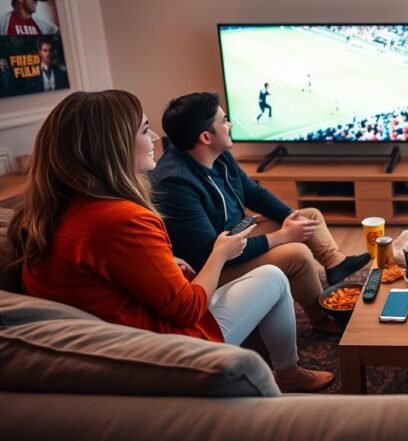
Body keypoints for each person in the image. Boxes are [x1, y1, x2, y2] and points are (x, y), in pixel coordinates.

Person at [8, 90, 334, 392]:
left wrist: (166, 263)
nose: (154, 139)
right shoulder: (123, 218)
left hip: (117, 339)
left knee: (290, 244)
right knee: (274, 277)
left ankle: (329, 281)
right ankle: (288, 374)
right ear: (113, 146)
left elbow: (107, 276)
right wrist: (220, 253)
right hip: (164, 350)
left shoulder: (60, 209)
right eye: (143, 130)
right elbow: (188, 309)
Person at [149, 92, 371, 334]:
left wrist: (290, 218)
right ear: (205, 137)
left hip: (236, 234)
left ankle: (335, 264)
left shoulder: (217, 154)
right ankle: (322, 320)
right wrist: (283, 236)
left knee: (309, 216)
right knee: (297, 253)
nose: (229, 125)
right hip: (212, 266)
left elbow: (252, 191)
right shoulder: (175, 184)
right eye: (224, 121)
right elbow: (210, 251)